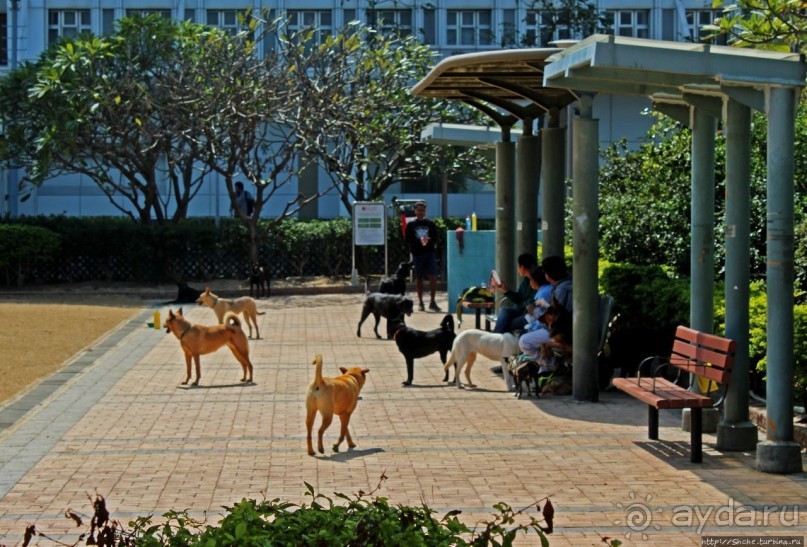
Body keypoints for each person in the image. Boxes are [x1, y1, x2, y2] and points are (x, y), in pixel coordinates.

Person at [404, 200, 441, 311]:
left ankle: (432, 302)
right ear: (415, 211)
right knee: (419, 278)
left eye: (423, 210)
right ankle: (420, 302)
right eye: (418, 210)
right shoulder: (411, 225)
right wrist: (418, 241)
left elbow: (435, 238)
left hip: (429, 253)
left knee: (433, 277)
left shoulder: (430, 223)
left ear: (425, 211)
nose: (421, 212)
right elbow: (407, 240)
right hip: (417, 254)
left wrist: (428, 240)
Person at [490, 253, 537, 333]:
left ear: (522, 267)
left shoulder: (538, 281)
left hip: (530, 314)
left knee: (505, 323)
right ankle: (496, 338)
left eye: (518, 266)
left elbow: (533, 302)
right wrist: (506, 290)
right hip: (522, 310)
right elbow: (519, 297)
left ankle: (495, 339)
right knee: (504, 310)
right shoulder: (526, 280)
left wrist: (521, 305)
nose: (518, 269)